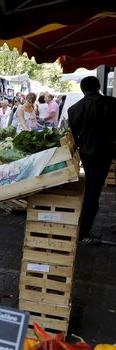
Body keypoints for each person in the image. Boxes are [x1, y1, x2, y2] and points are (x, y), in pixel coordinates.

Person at [67, 76, 116, 242]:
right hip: (107, 153)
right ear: (98, 87)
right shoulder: (112, 103)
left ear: (83, 90)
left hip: (87, 154)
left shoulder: (74, 109)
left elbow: (74, 137)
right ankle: (83, 232)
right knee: (92, 193)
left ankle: (84, 229)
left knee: (91, 190)